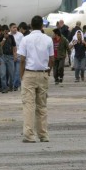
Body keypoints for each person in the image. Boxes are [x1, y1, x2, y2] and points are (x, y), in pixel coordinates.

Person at [18, 15, 54, 143]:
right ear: (42, 26)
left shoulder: (25, 39)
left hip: (29, 73)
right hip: (43, 73)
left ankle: (29, 135)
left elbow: (22, 59)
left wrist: (21, 75)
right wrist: (48, 72)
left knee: (29, 105)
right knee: (42, 106)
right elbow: (52, 59)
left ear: (31, 26)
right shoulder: (48, 40)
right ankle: (43, 135)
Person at [0, 24, 17, 93]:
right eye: (4, 31)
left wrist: (15, 55)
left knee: (11, 73)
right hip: (2, 57)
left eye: (7, 31)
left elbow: (14, 47)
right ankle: (4, 87)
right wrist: (4, 38)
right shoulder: (0, 37)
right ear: (2, 31)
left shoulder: (11, 37)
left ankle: (11, 86)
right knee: (2, 73)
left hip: (10, 57)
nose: (6, 33)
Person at [10, 23, 24, 91]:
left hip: (18, 55)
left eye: (16, 27)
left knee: (18, 71)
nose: (15, 28)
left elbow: (23, 45)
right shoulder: (8, 35)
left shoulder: (20, 35)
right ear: (10, 28)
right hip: (11, 56)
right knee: (12, 71)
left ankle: (15, 85)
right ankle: (12, 84)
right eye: (13, 27)